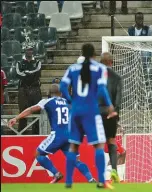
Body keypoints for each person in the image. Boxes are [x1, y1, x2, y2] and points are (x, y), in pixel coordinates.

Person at [8, 84, 96, 184]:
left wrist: (16, 118)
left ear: (49, 94)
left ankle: (56, 173)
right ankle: (91, 179)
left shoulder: (47, 101)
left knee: (38, 154)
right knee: (76, 161)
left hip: (58, 135)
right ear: (61, 93)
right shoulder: (68, 102)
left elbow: (31, 109)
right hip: (71, 135)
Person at [59, 43, 118, 189]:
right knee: (99, 145)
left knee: (73, 146)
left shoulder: (72, 68)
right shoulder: (99, 68)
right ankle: (101, 181)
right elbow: (102, 89)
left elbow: (62, 86)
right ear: (94, 55)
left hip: (76, 110)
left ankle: (68, 182)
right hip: (91, 111)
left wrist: (71, 101)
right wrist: (110, 105)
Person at [99, 52, 123, 183]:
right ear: (111, 62)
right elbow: (119, 99)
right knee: (112, 141)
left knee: (99, 144)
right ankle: (114, 171)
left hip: (97, 112)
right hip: (111, 112)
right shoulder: (117, 77)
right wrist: (115, 115)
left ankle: (100, 175)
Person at [16, 46, 42, 135]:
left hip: (35, 89)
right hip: (23, 90)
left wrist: (27, 73)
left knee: (37, 112)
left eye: (31, 50)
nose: (29, 51)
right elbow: (18, 74)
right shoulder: (19, 63)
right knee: (22, 113)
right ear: (25, 51)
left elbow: (38, 73)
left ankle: (36, 135)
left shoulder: (38, 62)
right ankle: (21, 134)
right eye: (28, 50)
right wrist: (31, 74)